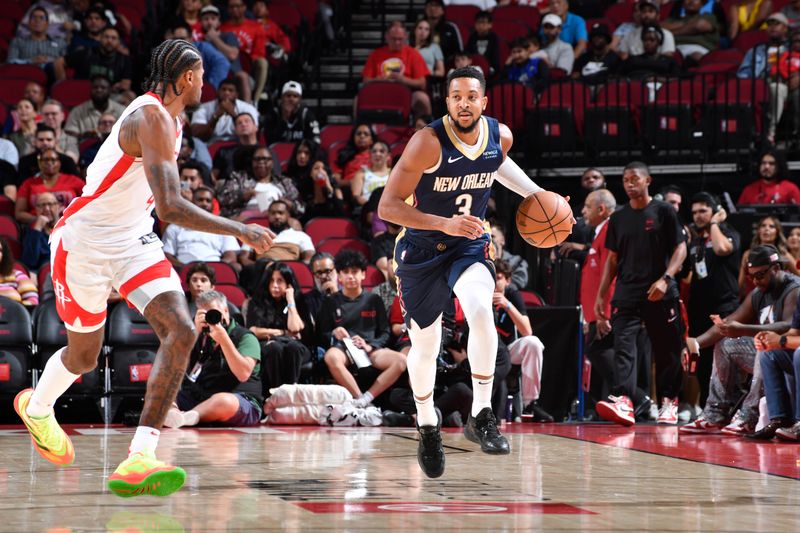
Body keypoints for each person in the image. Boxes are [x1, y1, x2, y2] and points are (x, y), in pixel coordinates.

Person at [13, 39, 274, 498]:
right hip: (85, 244)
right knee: (84, 358)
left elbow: (158, 207)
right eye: (201, 77)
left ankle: (140, 456)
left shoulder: (171, 120)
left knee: (180, 330)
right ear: (189, 78)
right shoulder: (150, 116)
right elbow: (171, 207)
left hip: (133, 240)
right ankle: (37, 406)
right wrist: (240, 229)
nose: (206, 85)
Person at [378, 67, 572, 478]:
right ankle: (428, 423)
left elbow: (498, 164)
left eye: (471, 96)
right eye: (456, 97)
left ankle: (482, 414)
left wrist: (539, 195)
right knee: (426, 346)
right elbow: (388, 207)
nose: (464, 103)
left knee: (481, 311)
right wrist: (442, 223)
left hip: (468, 244)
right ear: (446, 102)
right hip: (420, 249)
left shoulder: (499, 136)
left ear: (484, 102)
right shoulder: (426, 143)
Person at [594, 161, 688, 427]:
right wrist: (601, 294)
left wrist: (666, 278)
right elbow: (612, 259)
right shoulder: (619, 218)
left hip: (660, 290)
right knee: (623, 346)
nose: (629, 184)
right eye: (625, 180)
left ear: (648, 181)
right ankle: (624, 399)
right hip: (627, 292)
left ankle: (669, 401)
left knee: (666, 349)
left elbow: (681, 249)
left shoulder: (664, 211)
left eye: (634, 179)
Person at [680, 244, 799, 435]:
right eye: (751, 276)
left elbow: (787, 326)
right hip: (771, 354)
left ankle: (749, 417)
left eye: (760, 275)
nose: (755, 281)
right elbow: (729, 322)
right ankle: (715, 413)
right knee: (727, 344)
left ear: (776, 268)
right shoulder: (758, 293)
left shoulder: (793, 288)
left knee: (763, 344)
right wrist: (695, 343)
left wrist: (744, 329)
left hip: (790, 353)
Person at [317, 249, 408, 409]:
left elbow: (385, 332)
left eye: (355, 272)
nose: (350, 276)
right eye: (346, 272)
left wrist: (370, 346)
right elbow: (321, 333)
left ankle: (367, 398)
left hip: (370, 348)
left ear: (363, 274)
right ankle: (360, 399)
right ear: (339, 276)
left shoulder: (374, 299)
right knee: (331, 357)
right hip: (343, 349)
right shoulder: (331, 301)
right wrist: (333, 333)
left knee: (401, 361)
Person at [163, 290, 263, 429]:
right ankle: (175, 415)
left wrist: (224, 340)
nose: (211, 317)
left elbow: (243, 374)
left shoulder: (245, 337)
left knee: (222, 400)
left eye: (214, 312)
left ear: (226, 311)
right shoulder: (200, 336)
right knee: (163, 392)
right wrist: (194, 333)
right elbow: (177, 367)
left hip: (239, 400)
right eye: (205, 314)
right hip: (201, 397)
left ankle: (187, 417)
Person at [685, 193, 741, 404]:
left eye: (703, 211)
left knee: (723, 360)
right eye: (694, 212)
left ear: (715, 211)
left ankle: (726, 407)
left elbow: (721, 249)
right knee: (701, 359)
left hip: (724, 307)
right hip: (699, 309)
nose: (698, 216)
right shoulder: (696, 241)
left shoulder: (729, 233)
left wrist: (716, 223)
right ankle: (705, 407)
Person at [494, 259, 552, 421]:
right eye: (492, 278)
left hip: (508, 349)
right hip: (487, 351)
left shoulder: (512, 294)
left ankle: (530, 404)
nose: (495, 282)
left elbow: (527, 330)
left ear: (508, 281)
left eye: (498, 278)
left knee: (533, 343)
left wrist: (507, 305)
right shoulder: (482, 293)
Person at [245, 262, 313, 397]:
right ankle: (275, 395)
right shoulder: (257, 302)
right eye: (271, 281)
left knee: (293, 347)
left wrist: (290, 301)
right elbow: (253, 331)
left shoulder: (298, 301)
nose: (275, 285)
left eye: (280, 281)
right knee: (274, 347)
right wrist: (283, 333)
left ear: (289, 284)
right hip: (269, 345)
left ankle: (291, 395)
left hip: (296, 346)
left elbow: (295, 327)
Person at [162, 186, 242, 272]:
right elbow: (167, 255)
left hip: (214, 270)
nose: (204, 203)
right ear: (192, 203)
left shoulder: (223, 228)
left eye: (208, 201)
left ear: (212, 205)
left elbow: (231, 256)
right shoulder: (175, 228)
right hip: (185, 269)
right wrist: (187, 268)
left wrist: (210, 269)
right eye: (200, 200)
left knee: (236, 267)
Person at [362, 21, 432, 118]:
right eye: (393, 39)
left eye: (400, 39)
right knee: (359, 98)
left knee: (422, 98)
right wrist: (380, 80)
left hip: (405, 93)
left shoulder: (413, 54)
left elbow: (422, 83)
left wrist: (403, 80)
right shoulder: (376, 54)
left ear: (405, 37)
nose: (397, 42)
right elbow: (366, 80)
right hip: (381, 93)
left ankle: (426, 130)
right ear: (386, 36)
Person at [263, 81, 321, 146]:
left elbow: (315, 141)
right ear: (282, 98)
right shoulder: (274, 115)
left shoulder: (306, 115)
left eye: (295, 96)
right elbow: (270, 143)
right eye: (288, 96)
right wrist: (284, 118)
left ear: (300, 99)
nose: (291, 99)